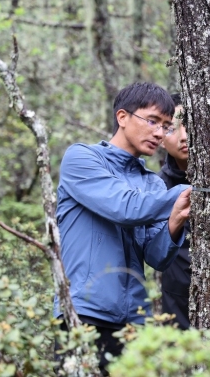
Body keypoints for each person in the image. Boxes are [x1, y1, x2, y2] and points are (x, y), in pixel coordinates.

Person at [53, 82, 191, 374]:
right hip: (84, 312)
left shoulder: (151, 182)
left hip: (134, 321)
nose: (159, 132)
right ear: (122, 117)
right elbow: (125, 206)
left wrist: (175, 221)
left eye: (166, 126)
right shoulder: (82, 159)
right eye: (152, 121)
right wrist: (187, 192)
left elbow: (156, 257)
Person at [158, 93, 192, 330]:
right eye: (171, 129)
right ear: (160, 138)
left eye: (189, 125)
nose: (184, 137)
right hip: (177, 301)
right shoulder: (157, 188)